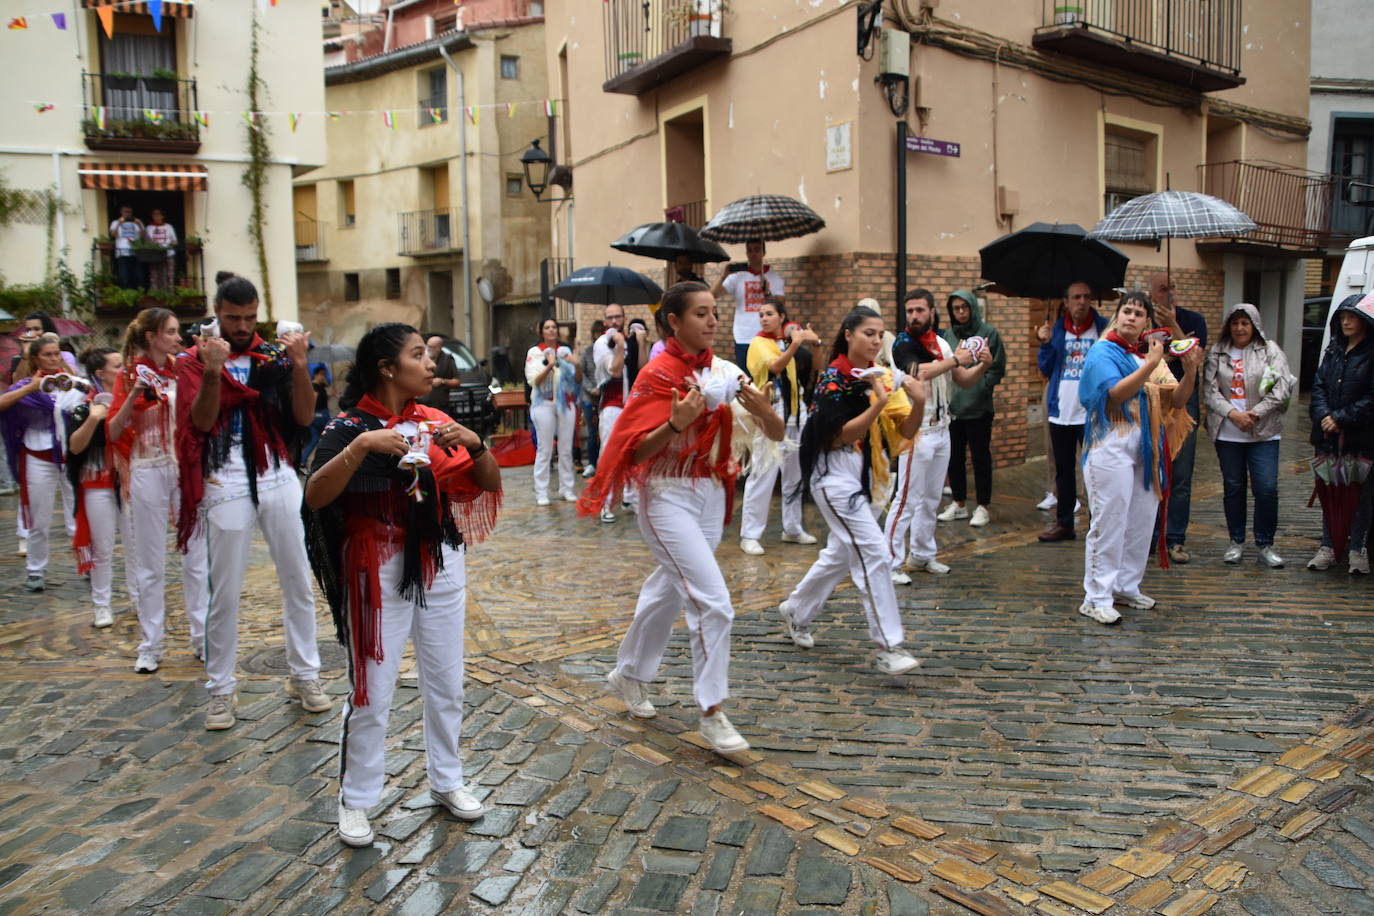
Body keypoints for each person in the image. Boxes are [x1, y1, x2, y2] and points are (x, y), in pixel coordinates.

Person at [304, 322, 502, 847]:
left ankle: (448, 780)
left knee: (448, 681)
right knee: (372, 690)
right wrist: (365, 445)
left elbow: (488, 482)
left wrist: (476, 444)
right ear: (388, 368)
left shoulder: (436, 421)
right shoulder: (349, 428)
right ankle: (356, 799)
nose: (431, 363)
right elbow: (316, 494)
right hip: (376, 564)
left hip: (439, 558)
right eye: (418, 355)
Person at [582, 281, 784, 754]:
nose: (712, 321)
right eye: (700, 313)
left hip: (710, 494)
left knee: (669, 589)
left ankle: (627, 673)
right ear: (673, 321)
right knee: (712, 601)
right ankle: (711, 712)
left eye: (715, 312)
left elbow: (773, 430)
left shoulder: (726, 371)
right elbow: (633, 450)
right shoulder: (655, 374)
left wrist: (764, 410)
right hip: (665, 495)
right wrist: (675, 422)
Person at [175, 276, 329, 729]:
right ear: (217, 314)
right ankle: (221, 690)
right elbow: (200, 423)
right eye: (232, 318)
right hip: (224, 476)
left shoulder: (276, 356)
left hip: (276, 470)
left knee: (299, 579)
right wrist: (210, 370)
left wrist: (300, 365)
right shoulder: (193, 359)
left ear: (258, 312)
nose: (241, 326)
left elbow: (303, 417)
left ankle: (305, 675)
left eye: (248, 317)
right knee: (224, 590)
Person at [779, 304, 926, 673]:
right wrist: (876, 403)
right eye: (868, 333)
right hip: (833, 477)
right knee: (874, 552)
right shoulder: (833, 379)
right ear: (848, 335)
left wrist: (919, 402)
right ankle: (889, 645)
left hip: (869, 475)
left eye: (880, 334)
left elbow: (906, 431)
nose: (876, 340)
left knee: (840, 555)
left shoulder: (883, 377)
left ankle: (796, 609)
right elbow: (841, 436)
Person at [1078, 291, 1202, 624]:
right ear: (1117, 316)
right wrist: (1149, 365)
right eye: (1127, 311)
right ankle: (1096, 596)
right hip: (1110, 445)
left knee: (1141, 519)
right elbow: (1114, 395)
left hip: (1146, 447)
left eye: (1139, 313)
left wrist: (1190, 372)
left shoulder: (1148, 357)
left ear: (1148, 321)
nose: (1132, 317)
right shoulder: (1103, 352)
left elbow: (1177, 401)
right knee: (1109, 521)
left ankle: (1126, 585)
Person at [108, 308, 211, 672]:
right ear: (151, 336)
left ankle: (202, 637)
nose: (177, 338)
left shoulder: (183, 368)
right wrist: (135, 390)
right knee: (149, 563)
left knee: (196, 557)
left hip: (183, 467)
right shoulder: (127, 374)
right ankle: (150, 645)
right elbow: (113, 430)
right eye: (170, 332)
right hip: (147, 467)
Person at [884, 290, 988, 579]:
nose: (914, 316)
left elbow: (963, 380)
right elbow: (920, 374)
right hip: (917, 430)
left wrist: (984, 363)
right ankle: (890, 562)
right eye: (910, 311)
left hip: (943, 428)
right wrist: (957, 359)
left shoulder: (941, 342)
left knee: (931, 499)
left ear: (931, 311)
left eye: (919, 310)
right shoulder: (902, 344)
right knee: (906, 500)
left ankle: (922, 555)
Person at [1201, 304, 1294, 568]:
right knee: (1234, 488)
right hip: (1228, 433)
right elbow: (1210, 391)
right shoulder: (1218, 352)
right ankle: (1236, 541)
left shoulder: (1270, 350)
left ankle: (1265, 543)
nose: (1240, 328)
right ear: (1228, 326)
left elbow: (1283, 386)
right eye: (1235, 323)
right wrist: (1233, 413)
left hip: (1263, 432)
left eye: (1245, 323)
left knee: (1266, 488)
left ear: (1254, 325)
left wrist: (1254, 413)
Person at [0, 334, 83, 591]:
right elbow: (3, 403)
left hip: (71, 456)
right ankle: (35, 570)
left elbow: (91, 396)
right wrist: (30, 388)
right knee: (39, 518)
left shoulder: (70, 383)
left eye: (57, 353)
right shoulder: (25, 384)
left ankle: (88, 564)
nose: (53, 358)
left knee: (79, 515)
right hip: (38, 454)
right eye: (47, 354)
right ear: (36, 358)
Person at [739, 298, 820, 554]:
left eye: (769, 314)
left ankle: (793, 528)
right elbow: (775, 367)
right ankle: (749, 535)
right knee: (763, 473)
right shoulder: (758, 343)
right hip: (771, 412)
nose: (763, 318)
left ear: (782, 317)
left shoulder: (785, 343)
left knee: (794, 475)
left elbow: (817, 367)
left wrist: (815, 343)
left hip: (796, 413)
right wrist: (796, 344)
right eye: (761, 314)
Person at [1307, 293, 1374, 574]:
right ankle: (1329, 547)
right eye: (1342, 317)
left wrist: (1341, 419)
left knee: (1361, 496)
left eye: (1352, 317)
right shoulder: (1333, 349)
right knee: (1330, 492)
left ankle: (1357, 549)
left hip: (1360, 439)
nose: (1346, 322)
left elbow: (1372, 397)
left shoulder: (1371, 352)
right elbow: (1319, 385)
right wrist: (1324, 416)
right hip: (1328, 438)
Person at [1037, 282, 1108, 541]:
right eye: (1076, 297)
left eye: (1086, 297)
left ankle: (1097, 523)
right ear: (1066, 302)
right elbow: (1045, 368)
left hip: (1092, 413)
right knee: (1064, 471)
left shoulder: (1103, 329)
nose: (1081, 302)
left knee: (1095, 470)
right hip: (1061, 411)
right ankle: (1065, 523)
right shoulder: (1056, 330)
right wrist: (1044, 344)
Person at [1149, 272, 1208, 565]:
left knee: (1181, 475)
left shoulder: (1194, 320)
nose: (1169, 292)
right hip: (1151, 404)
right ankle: (1149, 537)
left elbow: (1194, 357)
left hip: (1184, 404)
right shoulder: (1144, 322)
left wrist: (1173, 325)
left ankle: (1175, 539)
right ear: (1151, 293)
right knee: (1151, 472)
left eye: (1173, 287)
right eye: (1162, 288)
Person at [938, 289, 1006, 528]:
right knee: (954, 458)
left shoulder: (989, 333)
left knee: (980, 458)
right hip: (954, 407)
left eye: (964, 307)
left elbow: (997, 368)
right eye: (956, 309)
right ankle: (958, 503)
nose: (961, 313)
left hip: (979, 408)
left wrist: (983, 387)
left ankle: (983, 506)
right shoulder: (948, 336)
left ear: (972, 308)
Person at [592, 304, 647, 522]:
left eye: (618, 317)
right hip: (612, 403)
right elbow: (613, 370)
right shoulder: (603, 343)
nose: (614, 321)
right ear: (605, 321)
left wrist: (640, 344)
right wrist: (620, 347)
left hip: (632, 403)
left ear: (624, 318)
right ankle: (605, 502)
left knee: (635, 451)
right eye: (610, 318)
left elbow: (643, 368)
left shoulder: (629, 340)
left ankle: (630, 498)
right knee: (610, 453)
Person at [524, 317, 580, 505]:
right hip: (543, 404)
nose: (551, 330)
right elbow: (533, 381)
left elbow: (576, 380)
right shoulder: (535, 352)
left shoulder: (565, 351)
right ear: (541, 331)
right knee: (545, 449)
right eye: (547, 327)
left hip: (565, 403)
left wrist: (576, 363)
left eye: (554, 327)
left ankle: (567, 488)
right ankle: (541, 491)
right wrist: (549, 365)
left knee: (565, 449)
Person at [712, 240, 785, 368]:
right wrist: (723, 276)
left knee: (767, 377)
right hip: (743, 336)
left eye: (757, 249)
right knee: (746, 379)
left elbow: (781, 305)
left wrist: (767, 291)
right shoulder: (737, 276)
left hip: (767, 336)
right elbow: (713, 295)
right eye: (749, 250)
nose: (753, 254)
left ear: (764, 252)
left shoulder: (774, 278)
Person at [578, 320, 604, 478]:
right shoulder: (587, 352)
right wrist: (591, 389)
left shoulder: (610, 351)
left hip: (605, 397)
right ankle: (592, 463)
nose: (600, 334)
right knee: (593, 432)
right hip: (590, 398)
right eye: (598, 332)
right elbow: (582, 374)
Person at [421, 335, 462, 412]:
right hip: (422, 404)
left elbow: (457, 382)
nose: (428, 349)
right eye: (428, 346)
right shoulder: (422, 358)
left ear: (439, 348)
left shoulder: (448, 360)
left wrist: (442, 381)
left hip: (440, 406)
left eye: (432, 347)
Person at [110, 206, 145, 290]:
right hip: (122, 252)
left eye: (129, 212)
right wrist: (119, 223)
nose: (127, 213)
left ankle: (139, 293)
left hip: (136, 252)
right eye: (125, 211)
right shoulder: (115, 222)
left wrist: (140, 224)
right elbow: (113, 235)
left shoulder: (136, 223)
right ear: (121, 212)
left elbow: (143, 236)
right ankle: (126, 294)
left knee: (138, 276)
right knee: (125, 276)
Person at [303, 364, 332, 466]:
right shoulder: (314, 386)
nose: (323, 376)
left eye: (324, 374)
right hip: (320, 415)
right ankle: (325, 461)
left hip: (316, 414)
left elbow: (321, 399)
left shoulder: (319, 386)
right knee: (329, 436)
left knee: (315, 439)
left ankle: (303, 460)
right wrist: (311, 412)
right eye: (321, 374)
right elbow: (314, 399)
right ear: (315, 375)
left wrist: (329, 395)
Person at [144, 209, 178, 292]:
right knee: (155, 276)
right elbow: (145, 241)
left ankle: (169, 294)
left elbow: (175, 241)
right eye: (154, 214)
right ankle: (156, 294)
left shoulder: (168, 227)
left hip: (168, 254)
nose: (156, 216)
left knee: (169, 275)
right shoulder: (149, 227)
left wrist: (169, 244)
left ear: (162, 216)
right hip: (154, 255)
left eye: (158, 214)